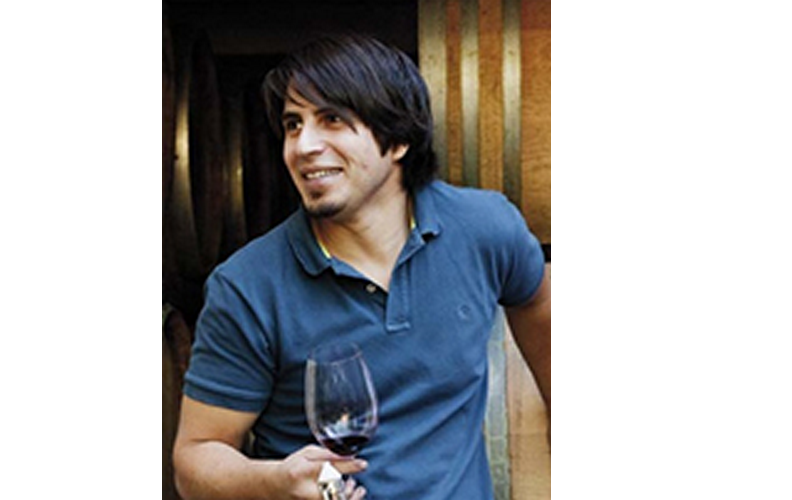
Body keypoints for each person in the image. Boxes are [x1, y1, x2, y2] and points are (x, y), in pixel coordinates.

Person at [173, 34, 551, 500]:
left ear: (398, 140)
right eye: (293, 124)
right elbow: (194, 460)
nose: (303, 145)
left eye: (331, 119)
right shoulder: (247, 287)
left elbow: (537, 300)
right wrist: (274, 482)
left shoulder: (484, 228)